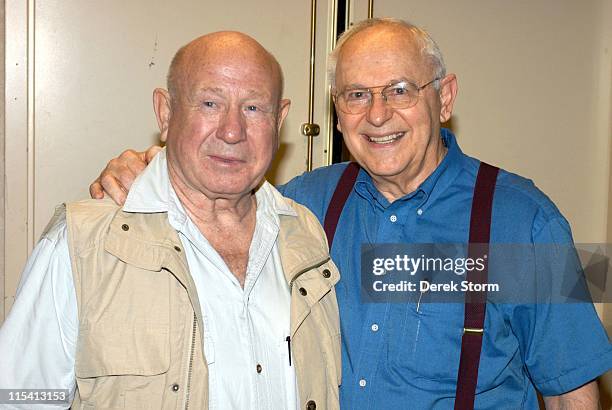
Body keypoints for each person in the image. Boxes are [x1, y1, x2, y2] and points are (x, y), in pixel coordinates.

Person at [90, 18, 611, 409]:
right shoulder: (300, 207)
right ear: (337, 114)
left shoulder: (527, 224)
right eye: (357, 95)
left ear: (445, 98)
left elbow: (572, 395)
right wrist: (147, 169)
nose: (378, 115)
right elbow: (209, 196)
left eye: (401, 90)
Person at [0, 32, 342, 410]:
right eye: (210, 103)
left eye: (253, 108)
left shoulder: (304, 234)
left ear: (279, 120)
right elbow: (19, 397)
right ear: (165, 113)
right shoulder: (82, 243)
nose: (232, 131)